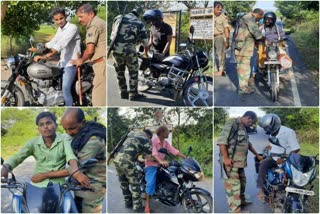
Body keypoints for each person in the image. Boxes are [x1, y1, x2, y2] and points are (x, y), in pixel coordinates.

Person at [31, 108, 106, 213]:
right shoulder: (81, 133)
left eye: (71, 129)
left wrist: (44, 175)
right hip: (81, 184)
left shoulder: (92, 141)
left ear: (83, 123)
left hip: (93, 187)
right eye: (65, 129)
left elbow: (74, 169)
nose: (68, 133)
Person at [1, 112, 89, 188]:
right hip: (37, 185)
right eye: (41, 125)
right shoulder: (33, 143)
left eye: (48, 123)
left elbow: (71, 156)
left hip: (59, 186)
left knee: (69, 205)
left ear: (56, 125)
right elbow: (18, 156)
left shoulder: (65, 139)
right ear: (38, 129)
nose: (46, 127)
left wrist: (76, 172)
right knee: (20, 203)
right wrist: (6, 167)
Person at [216, 111, 263, 213]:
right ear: (248, 118)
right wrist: (226, 159)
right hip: (231, 163)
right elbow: (221, 141)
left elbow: (248, 144)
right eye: (251, 122)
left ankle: (241, 202)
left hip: (239, 163)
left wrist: (257, 155)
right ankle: (235, 211)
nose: (251, 125)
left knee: (242, 183)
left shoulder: (243, 127)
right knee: (234, 187)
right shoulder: (232, 123)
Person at [34, 8, 81, 106]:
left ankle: (69, 109)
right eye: (56, 19)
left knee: (65, 90)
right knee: (53, 84)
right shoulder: (60, 29)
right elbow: (53, 42)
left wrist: (46, 56)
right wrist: (36, 49)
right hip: (62, 62)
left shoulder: (72, 27)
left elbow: (61, 44)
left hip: (71, 63)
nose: (59, 21)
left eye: (61, 18)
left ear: (65, 17)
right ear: (53, 20)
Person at [257, 114, 300, 201]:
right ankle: (261, 189)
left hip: (287, 158)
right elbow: (273, 143)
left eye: (267, 128)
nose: (266, 130)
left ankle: (293, 192)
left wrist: (285, 158)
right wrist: (268, 147)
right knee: (262, 164)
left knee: (291, 177)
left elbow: (296, 149)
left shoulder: (288, 132)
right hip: (274, 157)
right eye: (265, 128)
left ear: (274, 125)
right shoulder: (272, 132)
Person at [144, 125, 186, 213]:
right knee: (150, 183)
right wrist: (160, 161)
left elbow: (173, 150)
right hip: (151, 164)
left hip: (161, 164)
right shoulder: (154, 141)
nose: (168, 133)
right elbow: (154, 153)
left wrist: (184, 157)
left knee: (174, 174)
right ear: (162, 132)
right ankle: (147, 205)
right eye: (167, 131)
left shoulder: (165, 143)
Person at [70, 4, 106, 106]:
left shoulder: (93, 25)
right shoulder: (100, 22)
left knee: (98, 100)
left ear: (90, 14)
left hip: (101, 64)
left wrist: (81, 60)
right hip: (101, 62)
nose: (79, 20)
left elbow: (90, 50)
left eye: (81, 16)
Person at [110, 9, 149, 100]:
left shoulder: (118, 18)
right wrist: (145, 53)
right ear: (137, 15)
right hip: (129, 52)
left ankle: (123, 93)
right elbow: (145, 42)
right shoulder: (139, 23)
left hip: (115, 50)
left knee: (120, 72)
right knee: (133, 73)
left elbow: (113, 34)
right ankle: (133, 94)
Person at [113, 129, 153, 212]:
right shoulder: (146, 139)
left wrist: (137, 158)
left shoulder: (132, 134)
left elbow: (130, 149)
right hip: (127, 162)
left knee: (124, 183)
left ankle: (128, 203)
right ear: (149, 136)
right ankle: (137, 207)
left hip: (117, 160)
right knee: (135, 184)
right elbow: (148, 157)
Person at [235, 8, 264, 95]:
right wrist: (262, 39)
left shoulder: (246, 17)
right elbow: (255, 32)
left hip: (244, 47)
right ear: (258, 14)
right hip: (243, 47)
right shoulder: (249, 18)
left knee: (245, 67)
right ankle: (242, 88)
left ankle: (244, 86)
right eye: (260, 17)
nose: (259, 19)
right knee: (243, 68)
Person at [214, 1, 230, 76]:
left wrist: (227, 41)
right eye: (218, 8)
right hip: (211, 37)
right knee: (212, 54)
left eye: (221, 8)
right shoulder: (209, 16)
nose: (220, 10)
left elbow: (226, 29)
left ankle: (221, 70)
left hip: (219, 37)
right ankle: (214, 69)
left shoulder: (223, 17)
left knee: (220, 54)